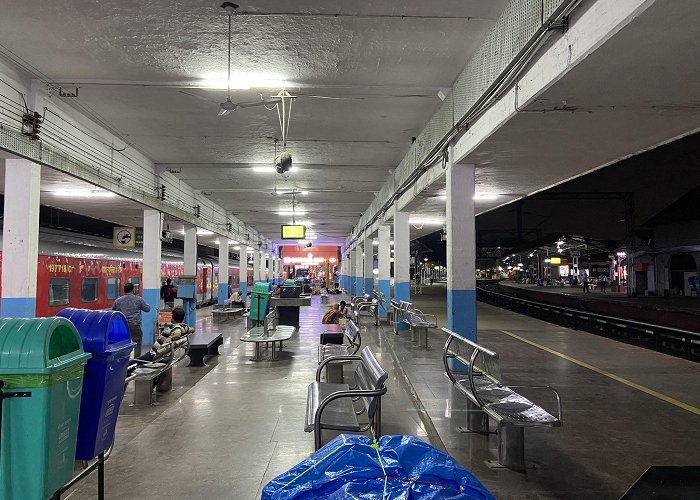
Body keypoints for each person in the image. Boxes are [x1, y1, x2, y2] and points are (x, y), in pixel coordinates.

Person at [113, 282, 151, 357]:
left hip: (123, 326)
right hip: (134, 325)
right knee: (137, 342)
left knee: (122, 344)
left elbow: (114, 310)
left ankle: (123, 359)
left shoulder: (118, 300)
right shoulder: (138, 299)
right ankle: (136, 360)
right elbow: (147, 309)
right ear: (133, 290)